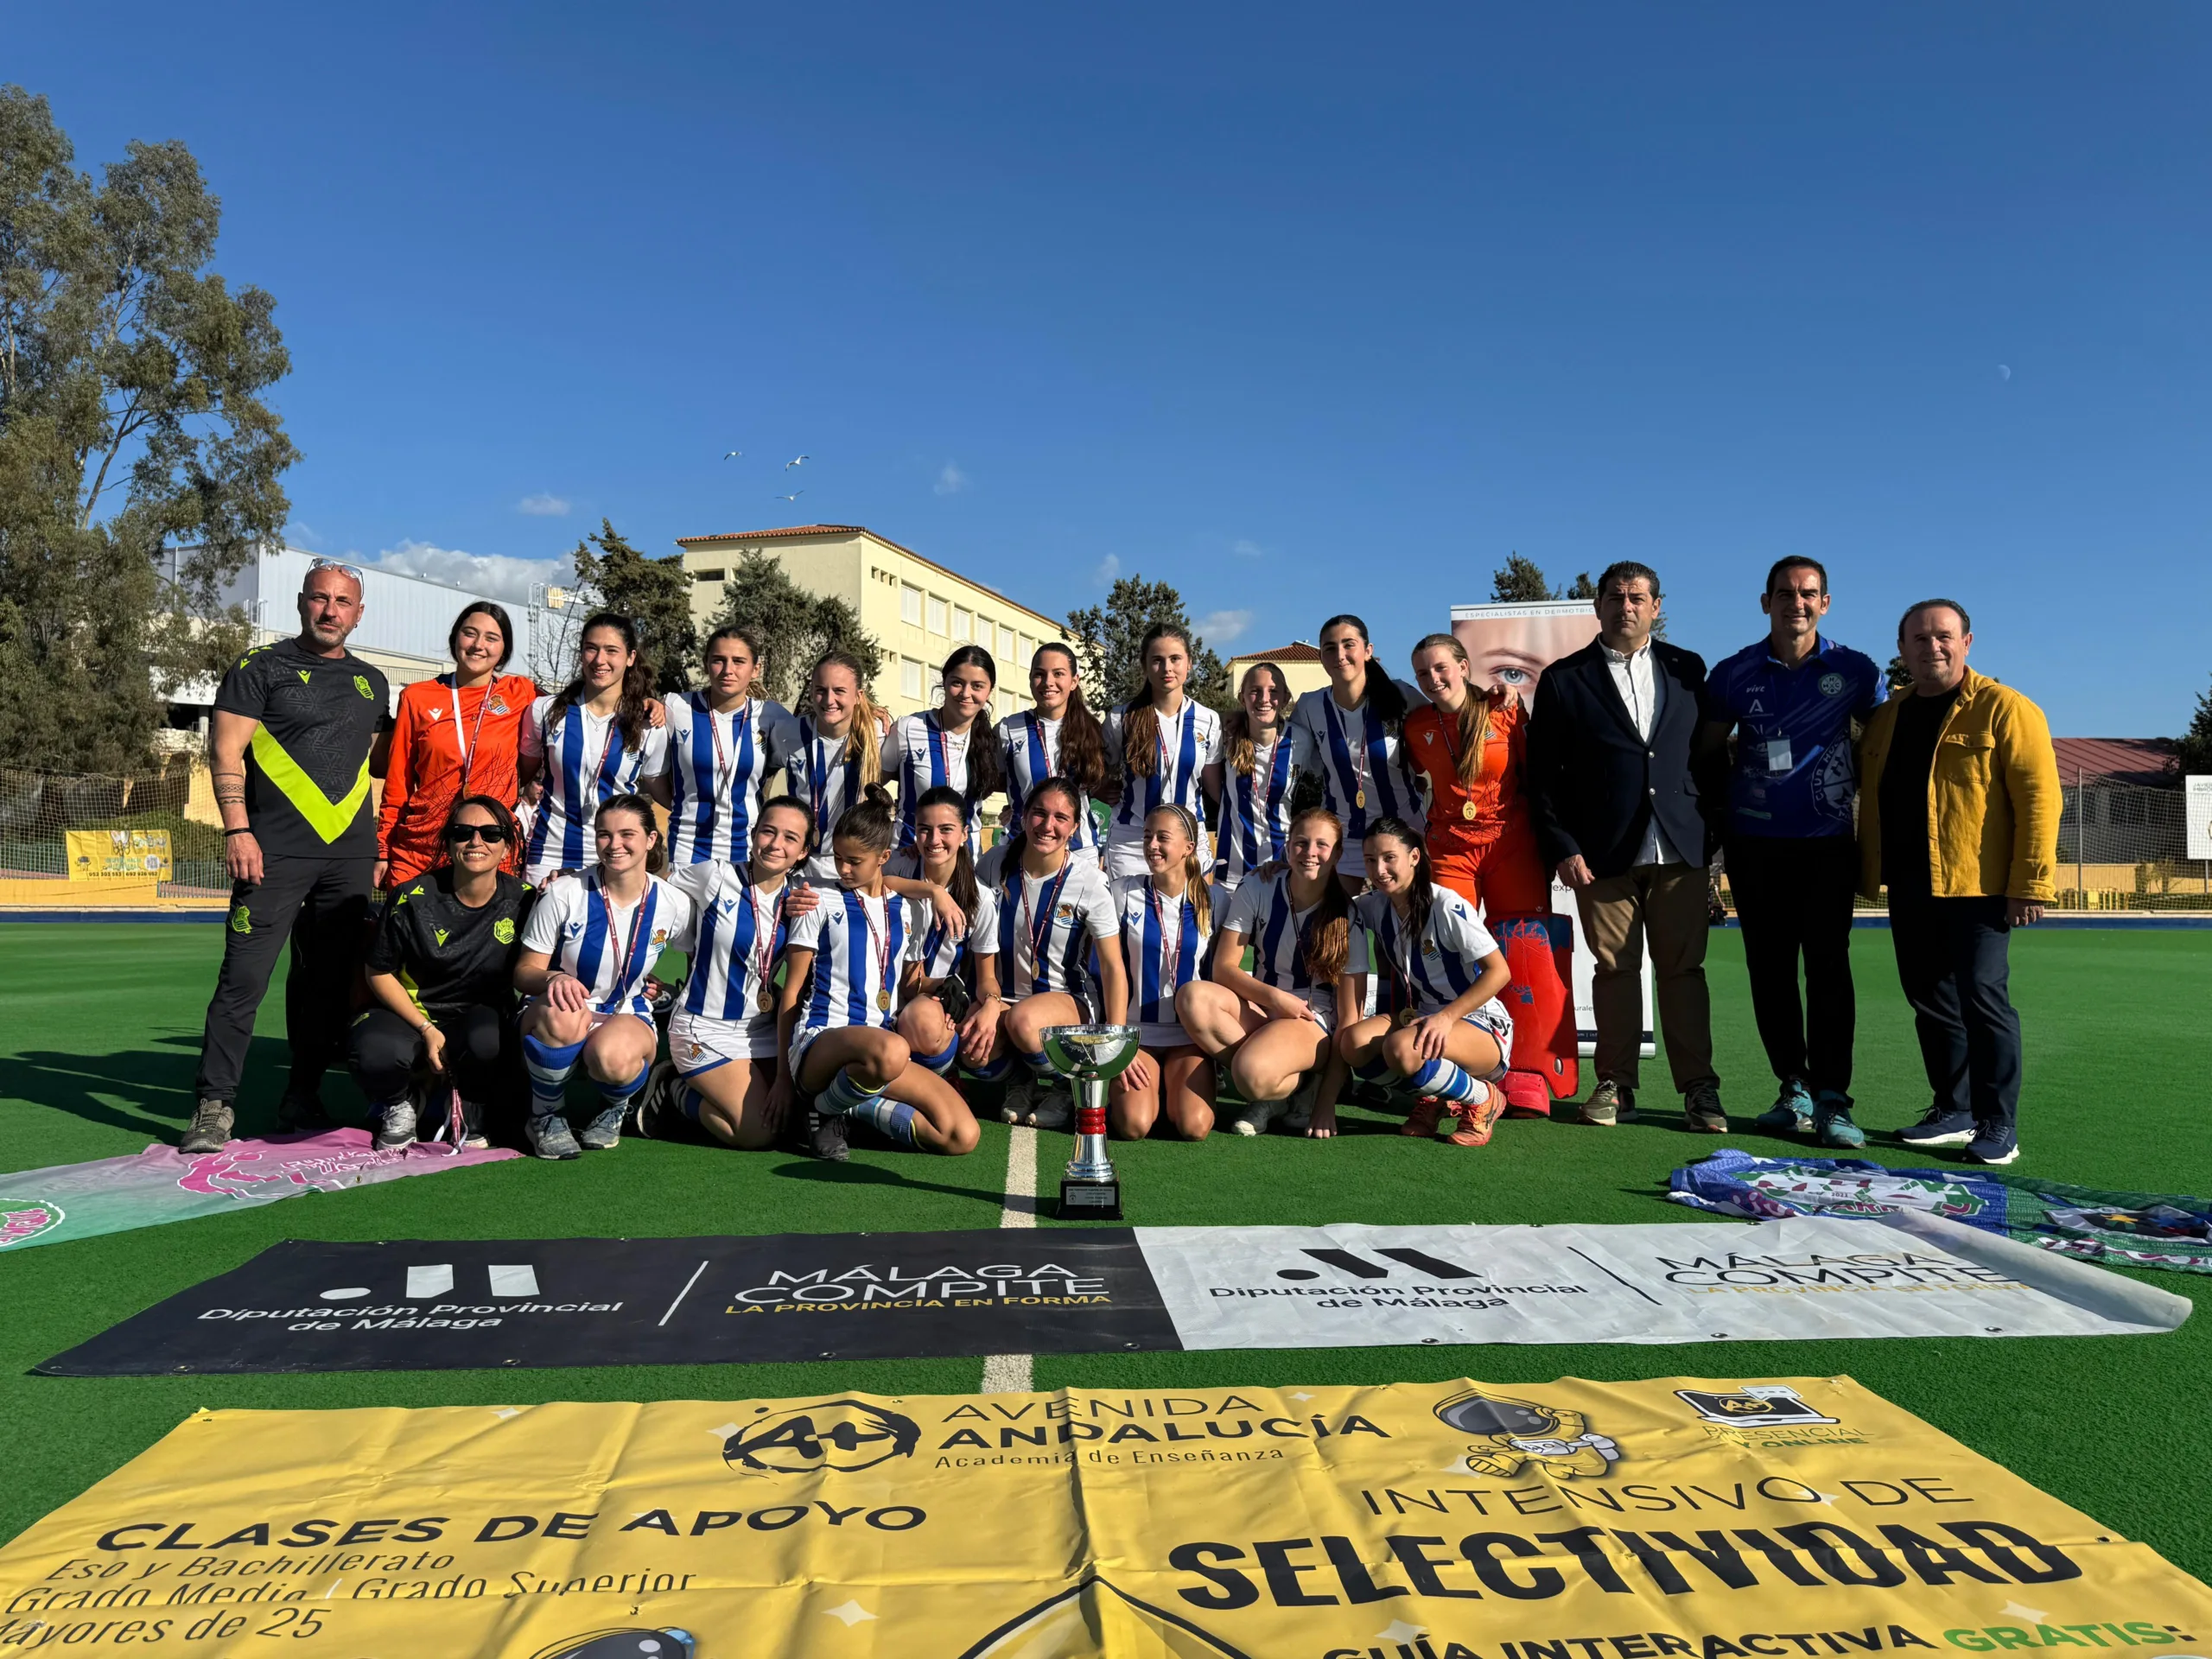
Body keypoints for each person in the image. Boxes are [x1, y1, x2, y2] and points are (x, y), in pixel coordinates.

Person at [183, 560, 393, 1154]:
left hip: (349, 857)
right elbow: (226, 754)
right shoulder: (260, 668)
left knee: (326, 984)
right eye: (320, 599)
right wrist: (236, 831)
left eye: (343, 602)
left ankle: (301, 1093)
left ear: (358, 613)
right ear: (303, 603)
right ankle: (214, 1104)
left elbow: (373, 763)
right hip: (270, 850)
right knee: (242, 981)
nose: (331, 610)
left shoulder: (373, 682)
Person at [1857, 600, 2060, 1166]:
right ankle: (1954, 1108)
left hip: (1981, 887)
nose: (1932, 648)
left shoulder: (2006, 709)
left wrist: (2031, 882)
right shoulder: (1888, 717)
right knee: (1930, 999)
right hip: (1910, 883)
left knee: (1983, 999)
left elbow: (2040, 799)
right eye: (1918, 639)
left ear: (1967, 642)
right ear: (1902, 650)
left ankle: (1999, 1124)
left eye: (1943, 636)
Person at [1700, 559, 1885, 1147]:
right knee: (1771, 973)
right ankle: (1794, 1086)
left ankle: (1834, 1098)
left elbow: (1883, 743)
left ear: (1824, 603)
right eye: (1785, 594)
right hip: (1754, 848)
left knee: (1830, 969)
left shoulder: (1855, 670)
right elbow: (1705, 753)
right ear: (1766, 602)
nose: (1796, 604)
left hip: (1827, 847)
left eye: (1808, 595)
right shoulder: (1733, 673)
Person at [1402, 631, 1572, 1116]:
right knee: (1446, 954)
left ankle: (1530, 1072)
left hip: (1509, 842)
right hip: (1451, 847)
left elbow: (1535, 776)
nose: (1433, 679)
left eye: (1440, 668)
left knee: (1525, 952)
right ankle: (1455, 1073)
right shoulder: (1417, 726)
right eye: (1422, 674)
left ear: (1463, 666)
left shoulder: (1505, 709)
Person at [777, 787, 982, 1157]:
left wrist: (943, 986)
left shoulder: (908, 910)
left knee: (960, 1135)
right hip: (821, 1042)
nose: (843, 868)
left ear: (884, 857)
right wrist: (781, 1078)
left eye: (854, 861)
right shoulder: (818, 900)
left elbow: (909, 984)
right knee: (893, 1050)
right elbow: (791, 994)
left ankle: (850, 1109)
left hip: (881, 1051)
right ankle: (819, 1108)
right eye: (838, 858)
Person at [513, 793, 691, 1159]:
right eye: (604, 835)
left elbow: (698, 962)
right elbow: (524, 972)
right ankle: (545, 1115)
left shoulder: (674, 903)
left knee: (612, 1057)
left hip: (626, 1012)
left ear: (651, 840)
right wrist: (552, 980)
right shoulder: (564, 892)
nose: (614, 845)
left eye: (627, 834)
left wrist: (670, 992)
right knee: (567, 1013)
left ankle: (615, 1108)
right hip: (555, 1012)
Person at [352, 795, 533, 1149]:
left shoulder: (526, 900)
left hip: (476, 1020)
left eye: (491, 833)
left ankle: (471, 1102)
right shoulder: (411, 898)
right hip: (411, 1015)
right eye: (463, 832)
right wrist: (426, 1028)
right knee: (374, 1049)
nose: (476, 842)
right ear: (449, 842)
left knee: (487, 1040)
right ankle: (402, 1101)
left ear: (507, 844)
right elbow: (378, 971)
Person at [639, 797, 820, 1150]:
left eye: (789, 838)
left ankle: (694, 1086)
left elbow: (869, 880)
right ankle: (674, 1088)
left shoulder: (802, 899)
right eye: (768, 831)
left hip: (760, 1031)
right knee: (758, 1132)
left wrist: (933, 891)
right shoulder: (716, 875)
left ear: (802, 852)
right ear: (753, 835)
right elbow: (652, 889)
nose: (776, 844)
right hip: (702, 1027)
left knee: (791, 1120)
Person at [1179, 807, 1361, 1137]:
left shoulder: (1347, 915)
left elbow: (1349, 1020)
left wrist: (1326, 1106)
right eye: (1301, 843)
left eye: (1322, 845)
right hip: (1267, 1004)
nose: (1310, 853)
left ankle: (1295, 1082)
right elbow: (1223, 968)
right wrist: (1276, 999)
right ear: (1288, 846)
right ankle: (1291, 1087)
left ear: (1337, 854)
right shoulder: (1258, 885)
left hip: (1312, 1021)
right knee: (1193, 998)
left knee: (1250, 1074)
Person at [1337, 818, 1516, 1147]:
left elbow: (1499, 972)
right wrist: (1281, 869)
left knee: (1401, 1049)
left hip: (1478, 1023)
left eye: (1389, 857)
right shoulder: (1376, 906)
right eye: (1370, 860)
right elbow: (1327, 900)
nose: (1379, 869)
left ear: (1415, 858)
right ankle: (1435, 1096)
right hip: (1422, 1016)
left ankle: (1483, 1097)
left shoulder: (1447, 905)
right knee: (1353, 1044)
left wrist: (1447, 1017)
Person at [977, 778, 1128, 1129]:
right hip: (1003, 997)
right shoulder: (994, 863)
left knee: (1024, 1022)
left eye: (1061, 818)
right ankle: (1022, 1082)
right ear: (1023, 816)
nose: (1048, 826)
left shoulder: (1088, 880)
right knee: (971, 1043)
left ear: (1075, 828)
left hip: (1065, 1000)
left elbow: (1111, 965)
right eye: (1040, 813)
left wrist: (1115, 1039)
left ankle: (1067, 1087)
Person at [375, 601, 539, 888]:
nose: (478, 645)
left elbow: (582, 701)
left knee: (488, 933)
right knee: (408, 931)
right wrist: (383, 851)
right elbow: (398, 781)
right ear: (455, 639)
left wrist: (640, 700)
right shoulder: (417, 697)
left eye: (491, 638)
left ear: (504, 650)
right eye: (470, 633)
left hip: (489, 846)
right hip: (422, 847)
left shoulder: (520, 693)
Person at [517, 613, 670, 884]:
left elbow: (666, 795)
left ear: (630, 657)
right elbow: (520, 776)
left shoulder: (648, 723)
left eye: (612, 651)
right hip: (550, 851)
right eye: (591, 649)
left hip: (617, 852)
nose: (600, 660)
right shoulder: (546, 711)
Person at [1289, 614, 1427, 886]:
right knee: (1340, 925)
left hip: (1404, 832)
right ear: (1321, 657)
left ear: (1368, 651)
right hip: (1344, 839)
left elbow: (1446, 720)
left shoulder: (1401, 695)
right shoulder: (1310, 706)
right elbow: (1277, 745)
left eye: (1348, 645)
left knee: (1407, 924)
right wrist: (1237, 719)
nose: (1340, 654)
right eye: (1330, 648)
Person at [1109, 805, 1217, 1140]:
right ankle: (1152, 1088)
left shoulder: (1216, 900)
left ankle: (1174, 1086)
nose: (1152, 845)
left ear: (1188, 847)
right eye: (1147, 836)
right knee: (1133, 1125)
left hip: (1188, 1038)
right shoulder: (1122, 892)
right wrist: (1117, 1043)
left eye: (1162, 838)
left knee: (1194, 1127)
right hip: (1137, 1036)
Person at [656, 623, 803, 868]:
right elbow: (653, 776)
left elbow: (818, 735)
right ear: (706, 664)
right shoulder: (675, 707)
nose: (728, 670)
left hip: (749, 847)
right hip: (687, 847)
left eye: (738, 661)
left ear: (755, 669)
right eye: (719, 660)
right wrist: (683, 807)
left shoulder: (772, 715)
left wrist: (863, 709)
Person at [892, 786, 1006, 1100]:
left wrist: (991, 1005)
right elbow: (875, 882)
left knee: (974, 1032)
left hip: (934, 998)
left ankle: (943, 1072)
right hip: (890, 992)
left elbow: (987, 978)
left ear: (965, 834)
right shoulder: (901, 866)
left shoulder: (980, 897)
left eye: (945, 830)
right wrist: (934, 892)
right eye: (924, 830)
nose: (933, 839)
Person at [1102, 624, 1224, 881]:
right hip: (1133, 839)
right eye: (1157, 660)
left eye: (1175, 659)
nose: (1167, 668)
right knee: (1133, 921)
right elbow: (1095, 770)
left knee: (1189, 917)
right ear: (1145, 666)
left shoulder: (1209, 719)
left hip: (1187, 837)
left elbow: (1215, 787)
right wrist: (1098, 788)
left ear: (1189, 663)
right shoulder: (1120, 717)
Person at [1000, 642, 1110, 869]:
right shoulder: (1008, 729)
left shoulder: (1094, 730)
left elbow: (1102, 784)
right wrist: (1016, 806)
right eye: (1040, 674)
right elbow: (996, 780)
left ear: (1074, 681)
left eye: (1058, 674)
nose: (1048, 682)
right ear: (1030, 679)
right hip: (1022, 847)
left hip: (1080, 851)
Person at [888, 646, 1006, 858]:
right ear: (944, 682)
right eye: (957, 683)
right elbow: (871, 784)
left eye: (977, 686)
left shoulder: (992, 740)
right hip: (909, 858)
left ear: (989, 691)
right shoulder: (909, 728)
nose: (965, 693)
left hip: (965, 864)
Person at [1214, 661, 1316, 898]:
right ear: (1242, 698)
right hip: (1231, 870)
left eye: (1272, 691)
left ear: (1286, 697)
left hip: (1283, 866)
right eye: (1255, 691)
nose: (1264, 698)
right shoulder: (1225, 735)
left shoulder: (1302, 741)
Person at [785, 651, 883, 884]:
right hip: (799, 866)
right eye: (821, 690)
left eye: (840, 691)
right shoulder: (786, 733)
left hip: (855, 869)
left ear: (859, 696)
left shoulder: (880, 735)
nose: (829, 700)